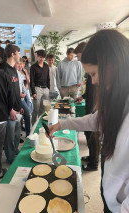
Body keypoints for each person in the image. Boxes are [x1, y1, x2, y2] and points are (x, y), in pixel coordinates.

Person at [48, 29, 129, 213]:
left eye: (93, 74)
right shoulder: (117, 98)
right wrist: (63, 123)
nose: (92, 82)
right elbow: (97, 120)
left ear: (112, 65)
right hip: (112, 196)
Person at [75, 42, 99, 171]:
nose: (78, 60)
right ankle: (91, 157)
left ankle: (94, 164)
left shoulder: (95, 69)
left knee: (93, 138)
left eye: (79, 57)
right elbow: (90, 90)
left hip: (93, 109)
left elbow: (96, 92)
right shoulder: (89, 71)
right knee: (87, 134)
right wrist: (82, 97)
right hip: (89, 105)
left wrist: (90, 112)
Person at [0, 44, 23, 164]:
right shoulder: (3, 69)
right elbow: (3, 93)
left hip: (17, 108)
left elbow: (16, 90)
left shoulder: (14, 69)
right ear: (13, 54)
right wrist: (10, 110)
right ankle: (10, 157)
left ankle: (15, 151)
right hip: (9, 110)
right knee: (9, 136)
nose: (20, 55)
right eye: (19, 53)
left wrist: (19, 106)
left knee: (16, 134)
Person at [30, 49, 50, 125]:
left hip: (45, 89)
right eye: (40, 57)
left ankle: (41, 125)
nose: (42, 59)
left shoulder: (46, 66)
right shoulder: (33, 67)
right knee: (36, 109)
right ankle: (33, 125)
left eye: (43, 57)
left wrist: (48, 88)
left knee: (44, 108)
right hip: (37, 88)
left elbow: (48, 78)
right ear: (37, 56)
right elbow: (31, 81)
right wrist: (33, 92)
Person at [15, 59, 31, 137]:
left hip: (21, 98)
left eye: (21, 64)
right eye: (18, 63)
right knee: (17, 119)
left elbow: (23, 85)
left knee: (27, 115)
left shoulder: (21, 73)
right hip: (15, 99)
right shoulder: (11, 73)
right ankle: (18, 136)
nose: (20, 65)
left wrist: (24, 92)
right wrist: (19, 94)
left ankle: (28, 135)